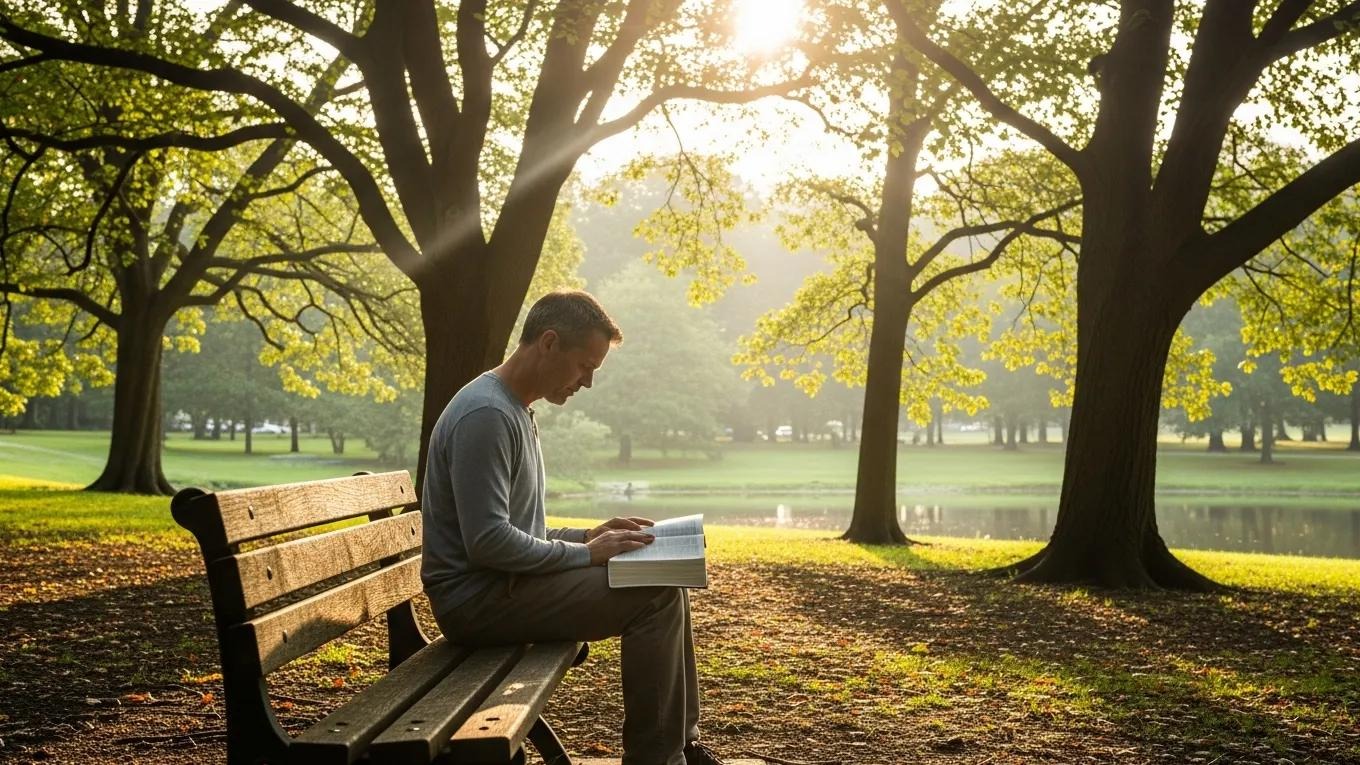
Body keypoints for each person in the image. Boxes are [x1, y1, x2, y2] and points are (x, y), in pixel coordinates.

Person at [421, 289, 723, 765]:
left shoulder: (514, 409)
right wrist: (589, 554)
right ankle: (658, 760)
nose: (587, 383)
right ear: (548, 343)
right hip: (475, 602)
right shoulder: (487, 416)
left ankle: (680, 745)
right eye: (586, 366)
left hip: (502, 588)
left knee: (666, 576)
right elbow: (488, 544)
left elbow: (523, 529)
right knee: (656, 594)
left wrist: (588, 536)